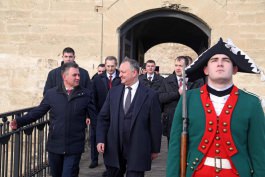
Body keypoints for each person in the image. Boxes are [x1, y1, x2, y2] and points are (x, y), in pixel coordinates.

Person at [166, 38, 265, 177]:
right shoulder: (188, 99)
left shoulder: (251, 103)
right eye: (214, 60)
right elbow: (175, 149)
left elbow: (259, 153)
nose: (220, 63)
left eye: (226, 60)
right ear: (206, 70)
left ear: (235, 69)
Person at [10, 62, 97, 177]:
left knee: (68, 174)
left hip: (75, 146)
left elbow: (95, 119)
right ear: (64, 76)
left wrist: (101, 139)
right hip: (55, 145)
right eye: (74, 75)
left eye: (78, 75)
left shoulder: (86, 94)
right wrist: (20, 121)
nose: (78, 78)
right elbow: (38, 111)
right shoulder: (52, 94)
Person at [96, 58, 162, 177]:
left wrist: (155, 149)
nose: (119, 74)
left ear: (134, 73)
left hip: (138, 147)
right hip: (114, 147)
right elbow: (103, 118)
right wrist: (100, 139)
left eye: (123, 72)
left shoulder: (151, 95)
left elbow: (155, 124)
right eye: (120, 71)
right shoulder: (113, 93)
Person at [159, 56, 203, 143]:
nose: (178, 68)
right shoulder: (166, 80)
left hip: (190, 119)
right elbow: (160, 97)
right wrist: (177, 94)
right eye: (176, 65)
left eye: (180, 66)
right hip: (171, 120)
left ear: (187, 66)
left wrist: (188, 94)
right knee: (173, 148)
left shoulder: (197, 81)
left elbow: (200, 99)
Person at [90, 56, 121, 170]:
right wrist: (93, 115)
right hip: (100, 113)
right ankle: (94, 159)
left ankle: (114, 161)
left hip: (116, 114)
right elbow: (93, 98)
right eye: (108, 66)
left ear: (116, 65)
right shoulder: (97, 79)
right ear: (105, 65)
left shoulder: (121, 77)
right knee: (95, 137)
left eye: (112, 66)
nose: (110, 68)